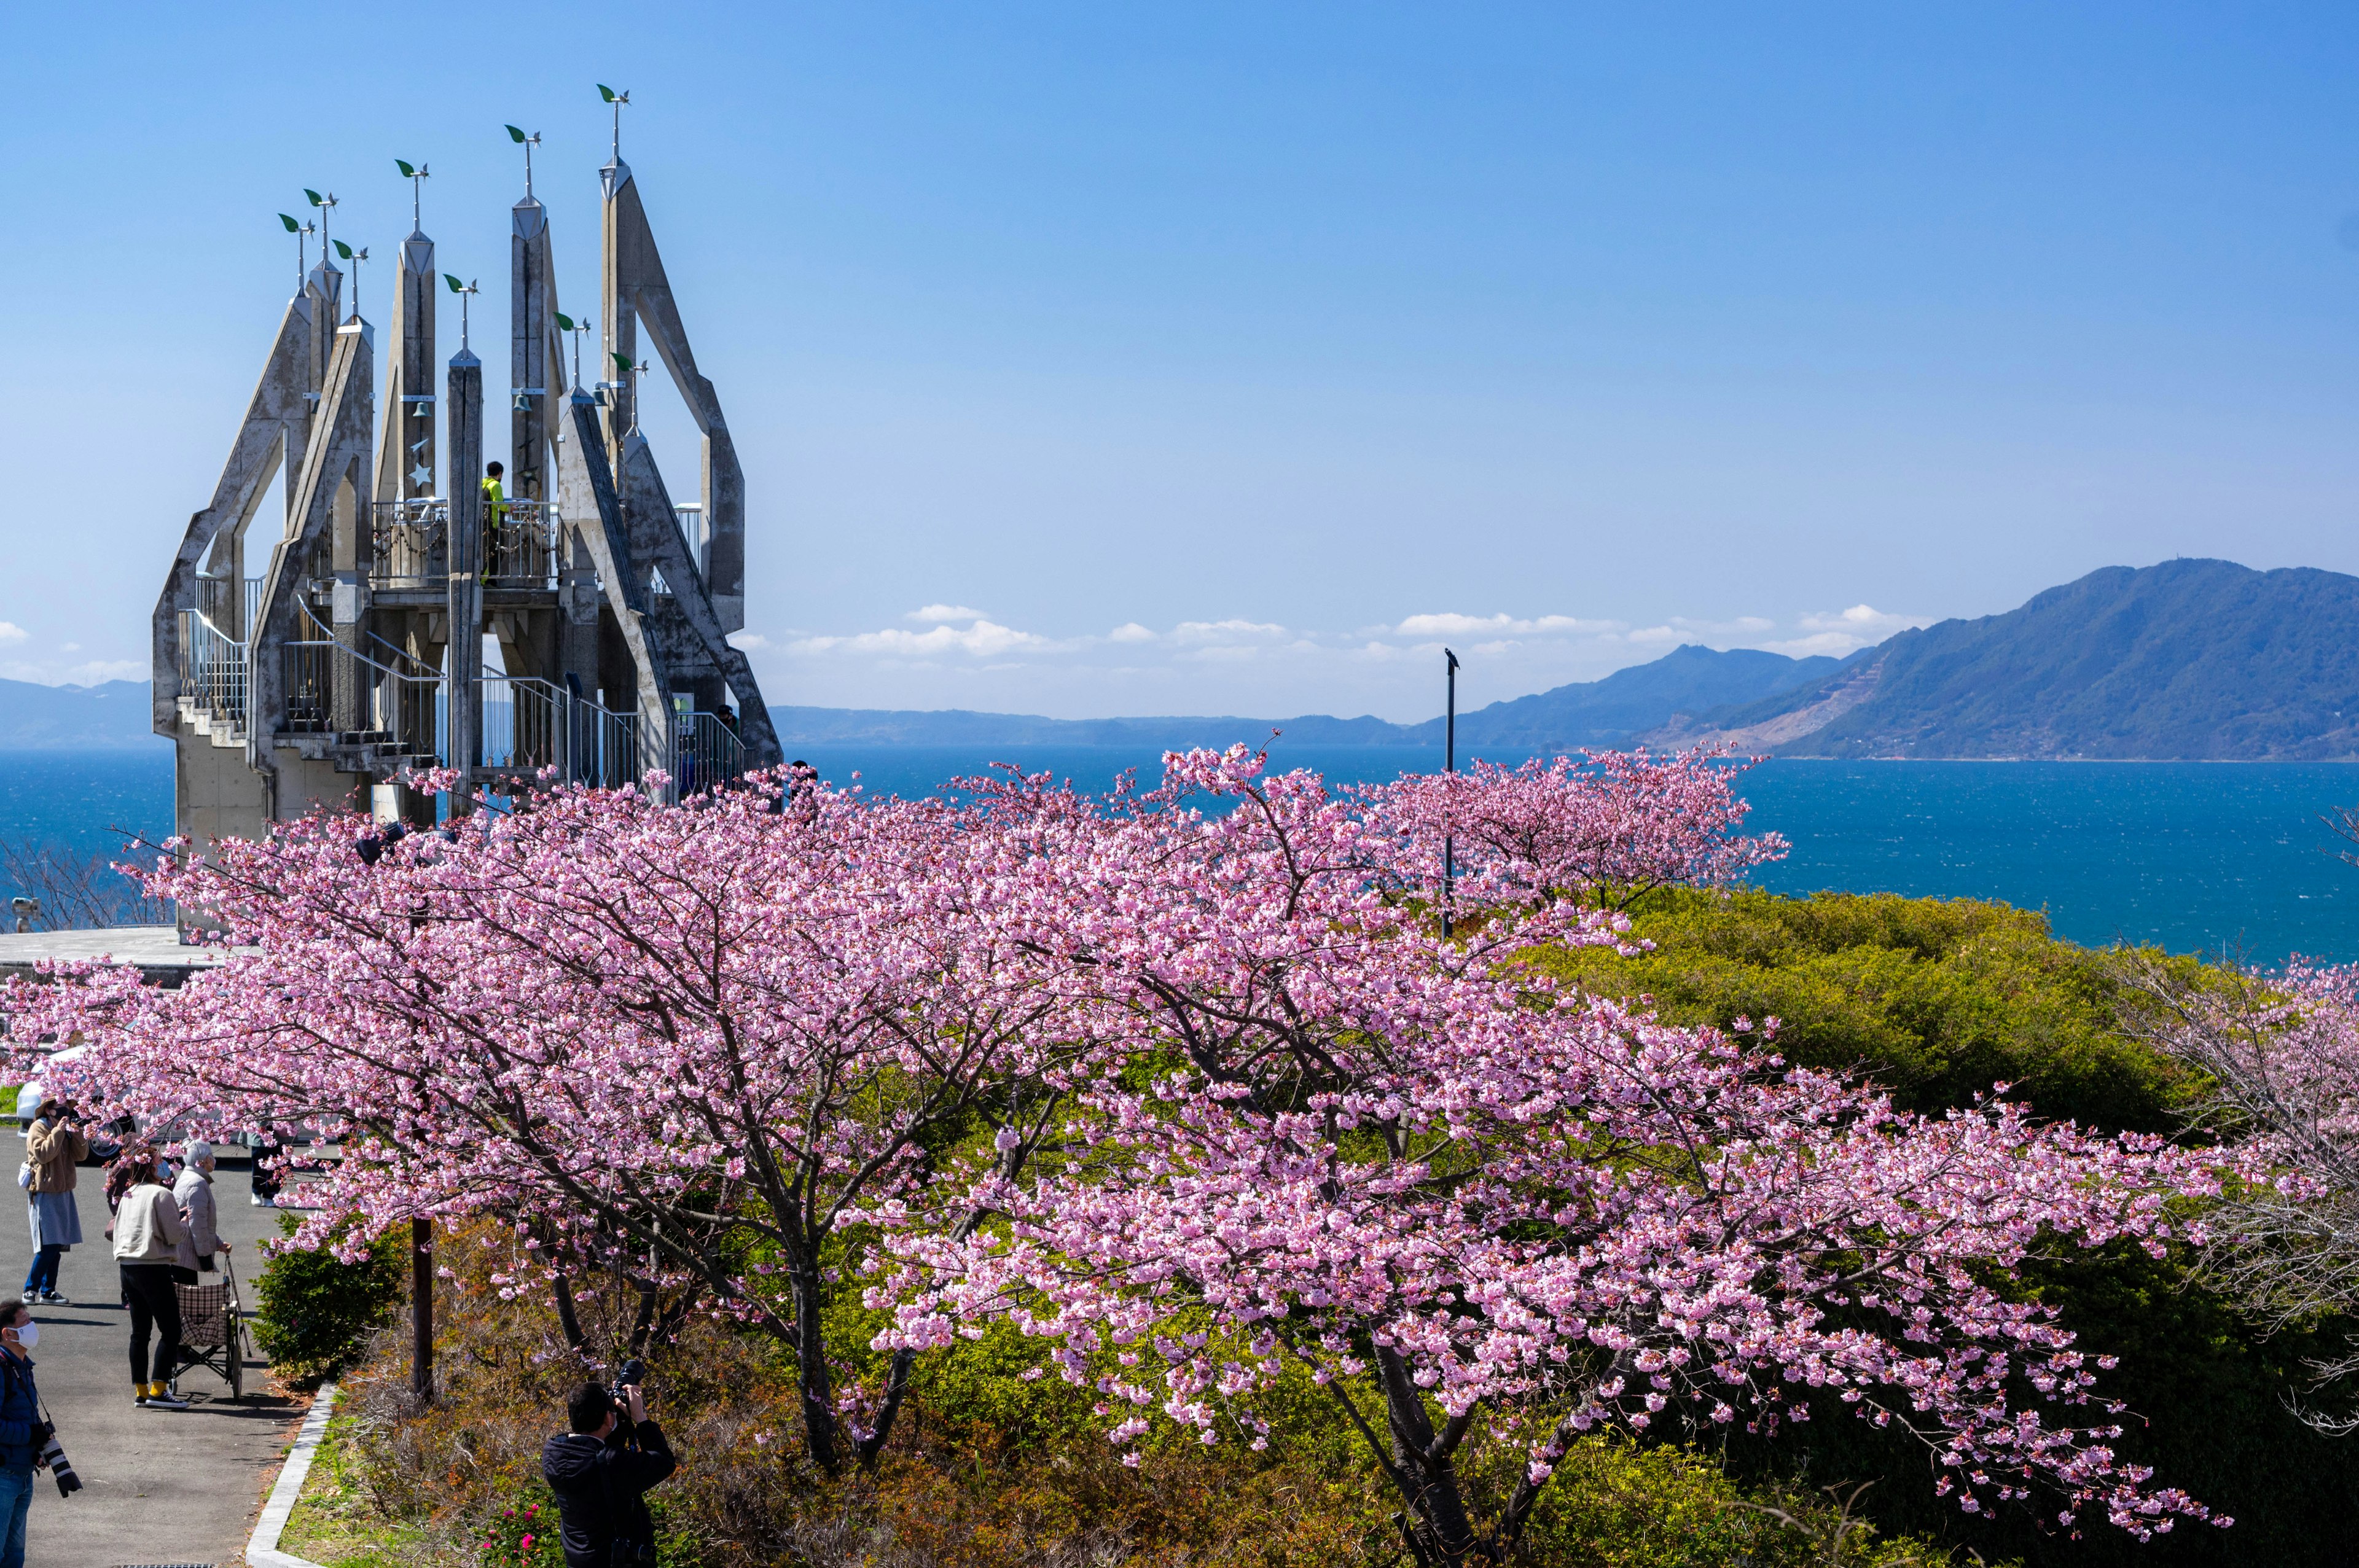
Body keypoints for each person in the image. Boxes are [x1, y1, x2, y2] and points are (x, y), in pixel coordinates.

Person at [541, 1378, 676, 1567]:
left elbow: (598, 1453)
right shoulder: (612, 1464)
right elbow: (664, 1461)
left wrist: (614, 1421)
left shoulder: (554, 1452)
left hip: (580, 1561)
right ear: (607, 1418)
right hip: (616, 1562)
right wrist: (641, 1419)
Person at [110, 1153, 189, 1410]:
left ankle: (142, 1391)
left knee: (140, 1332)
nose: (165, 1165)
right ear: (153, 1167)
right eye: (160, 1161)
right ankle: (159, 1389)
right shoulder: (161, 1194)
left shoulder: (129, 1193)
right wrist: (184, 1223)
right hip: (153, 1267)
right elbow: (174, 1234)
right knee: (171, 1330)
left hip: (127, 1268)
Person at [20, 1095, 87, 1307]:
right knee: (47, 1245)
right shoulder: (38, 1128)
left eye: (68, 1107)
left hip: (63, 1191)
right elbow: (43, 1154)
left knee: (57, 1245)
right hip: (44, 1192)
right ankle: (30, 1289)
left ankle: (48, 1291)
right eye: (61, 1107)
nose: (66, 1110)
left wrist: (76, 1134)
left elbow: (81, 1155)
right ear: (49, 1109)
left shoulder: (65, 1128)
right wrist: (58, 1132)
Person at [0, 1300, 44, 1568]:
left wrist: (39, 1447)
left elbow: (23, 1415)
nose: (32, 1326)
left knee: (15, 1554)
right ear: (8, 1333)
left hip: (23, 1473)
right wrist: (30, 1435)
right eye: (25, 1322)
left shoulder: (22, 1365)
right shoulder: (1, 1368)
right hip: (4, 1476)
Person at [171, 1141, 231, 1283]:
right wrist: (206, 1259)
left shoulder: (187, 1177)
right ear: (204, 1160)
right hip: (184, 1257)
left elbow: (200, 1219)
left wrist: (218, 1243)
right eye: (211, 1155)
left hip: (179, 1253)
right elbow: (197, 1224)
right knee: (187, 1302)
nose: (213, 1159)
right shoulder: (197, 1183)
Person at [481, 461, 509, 582]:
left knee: (487, 552)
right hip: (493, 524)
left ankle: (485, 579)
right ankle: (488, 579)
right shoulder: (495, 485)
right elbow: (500, 505)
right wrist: (510, 508)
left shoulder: (483, 484)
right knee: (498, 551)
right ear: (500, 474)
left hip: (483, 523)